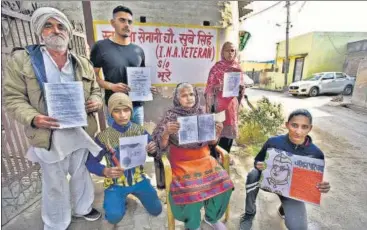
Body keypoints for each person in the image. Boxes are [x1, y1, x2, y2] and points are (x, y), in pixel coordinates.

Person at [3, 7, 103, 230]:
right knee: (54, 180)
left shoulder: (81, 62)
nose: (55, 31)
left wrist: (97, 101)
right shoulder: (23, 60)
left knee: (80, 171)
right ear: (40, 32)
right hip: (48, 132)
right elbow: (13, 98)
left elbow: (96, 89)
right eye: (48, 25)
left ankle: (83, 208)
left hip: (80, 130)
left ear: (67, 31)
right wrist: (33, 117)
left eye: (60, 26)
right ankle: (57, 222)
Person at [152, 83, 234, 230]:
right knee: (191, 192)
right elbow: (161, 147)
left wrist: (217, 133)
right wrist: (166, 133)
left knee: (225, 184)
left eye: (191, 94)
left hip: (204, 159)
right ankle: (193, 224)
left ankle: (211, 218)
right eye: (184, 95)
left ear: (196, 96)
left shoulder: (203, 113)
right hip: (181, 162)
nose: (189, 98)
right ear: (177, 99)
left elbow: (212, 143)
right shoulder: (170, 116)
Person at [240, 109, 331, 230]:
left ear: (310, 128)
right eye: (294, 125)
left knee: (299, 228)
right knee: (253, 174)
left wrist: (322, 186)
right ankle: (249, 214)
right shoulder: (273, 142)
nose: (298, 131)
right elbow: (258, 160)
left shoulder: (316, 154)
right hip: (268, 181)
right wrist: (259, 164)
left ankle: (284, 209)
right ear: (287, 124)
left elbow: (313, 182)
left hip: (291, 192)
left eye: (304, 127)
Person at [86, 93, 162, 226]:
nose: (122, 115)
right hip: (116, 184)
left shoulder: (140, 131)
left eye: (126, 110)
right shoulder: (104, 137)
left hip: (139, 180)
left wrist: (153, 150)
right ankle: (116, 199)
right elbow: (90, 162)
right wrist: (104, 170)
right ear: (110, 113)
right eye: (117, 111)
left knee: (157, 210)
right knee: (114, 217)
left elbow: (154, 153)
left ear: (131, 111)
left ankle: (134, 194)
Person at [90, 5, 157, 126]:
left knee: (138, 142)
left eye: (129, 21)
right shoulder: (101, 47)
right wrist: (111, 86)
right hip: (116, 108)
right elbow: (92, 77)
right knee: (117, 143)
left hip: (137, 108)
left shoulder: (138, 51)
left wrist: (147, 88)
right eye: (122, 20)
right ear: (112, 22)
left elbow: (140, 78)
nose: (127, 24)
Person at [204, 41, 245, 162]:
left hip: (231, 107)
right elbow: (209, 89)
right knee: (217, 132)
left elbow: (241, 89)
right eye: (227, 50)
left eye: (232, 50)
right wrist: (217, 87)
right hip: (219, 106)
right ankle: (214, 159)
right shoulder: (216, 68)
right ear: (222, 52)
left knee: (229, 134)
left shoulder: (238, 68)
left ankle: (224, 158)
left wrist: (241, 88)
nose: (230, 53)